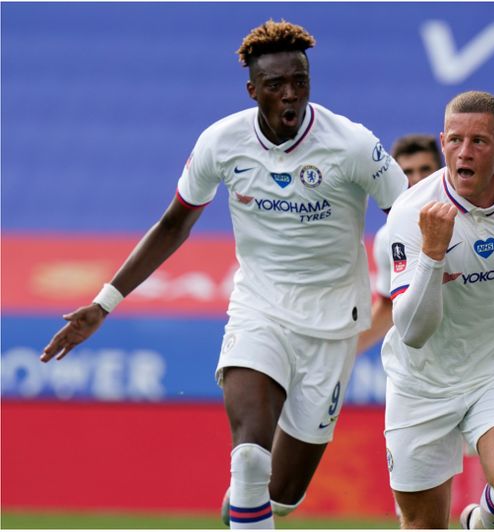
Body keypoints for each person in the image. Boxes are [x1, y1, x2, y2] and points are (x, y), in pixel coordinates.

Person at [40, 20, 407, 529]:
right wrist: (104, 303)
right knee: (250, 460)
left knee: (281, 494)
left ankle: (246, 510)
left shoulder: (351, 144)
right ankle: (246, 498)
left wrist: (428, 283)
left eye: (300, 81)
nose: (290, 95)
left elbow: (410, 215)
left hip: (333, 326)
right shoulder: (221, 142)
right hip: (260, 311)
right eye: (276, 85)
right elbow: (173, 225)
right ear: (252, 90)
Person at [381, 90, 494, 529]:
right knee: (423, 526)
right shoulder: (410, 215)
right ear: (443, 141)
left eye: (479, 141)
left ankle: (481, 524)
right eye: (455, 140)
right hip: (422, 381)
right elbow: (413, 332)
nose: (465, 152)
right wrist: (433, 254)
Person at [357, 134, 443, 355]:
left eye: (426, 170)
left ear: (441, 172)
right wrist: (344, 355)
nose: (417, 180)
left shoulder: (474, 220)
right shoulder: (387, 238)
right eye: (407, 172)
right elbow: (388, 308)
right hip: (424, 364)